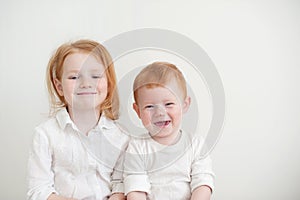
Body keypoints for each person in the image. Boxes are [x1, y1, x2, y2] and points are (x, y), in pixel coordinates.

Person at [27, 39, 129, 200]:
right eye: (74, 77)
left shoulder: (121, 136)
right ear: (59, 86)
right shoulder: (45, 134)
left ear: (108, 83)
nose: (86, 83)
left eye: (95, 76)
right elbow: (39, 191)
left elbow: (121, 183)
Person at [123, 62, 215, 200]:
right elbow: (135, 189)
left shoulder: (195, 144)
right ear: (138, 111)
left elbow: (203, 184)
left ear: (184, 105)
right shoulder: (137, 147)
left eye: (168, 104)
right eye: (149, 106)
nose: (160, 112)